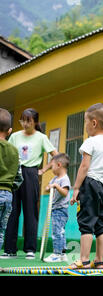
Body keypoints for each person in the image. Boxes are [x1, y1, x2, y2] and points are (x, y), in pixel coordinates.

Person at [1, 108, 58, 260]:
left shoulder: (41, 137)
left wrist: (43, 170)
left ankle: (30, 249)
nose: (25, 124)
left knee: (30, 211)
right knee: (11, 211)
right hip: (15, 172)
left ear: (35, 122)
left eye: (29, 121)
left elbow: (55, 156)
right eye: (23, 121)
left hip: (32, 174)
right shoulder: (14, 136)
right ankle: (10, 249)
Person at [69, 103, 103, 269]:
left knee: (86, 222)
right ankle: (99, 260)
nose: (85, 126)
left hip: (89, 184)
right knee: (100, 224)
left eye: (85, 122)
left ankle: (84, 259)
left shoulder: (91, 142)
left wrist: (76, 188)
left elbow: (84, 166)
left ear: (94, 123)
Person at [0, 109, 23, 253]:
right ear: (9, 131)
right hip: (7, 196)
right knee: (0, 231)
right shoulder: (15, 151)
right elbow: (19, 177)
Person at [43, 153, 71, 262]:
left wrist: (56, 186)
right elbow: (47, 187)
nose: (51, 169)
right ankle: (63, 254)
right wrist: (49, 187)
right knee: (61, 231)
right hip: (55, 209)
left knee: (57, 232)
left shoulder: (64, 179)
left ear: (59, 165)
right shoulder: (55, 178)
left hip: (60, 210)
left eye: (52, 166)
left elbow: (64, 192)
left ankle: (57, 254)